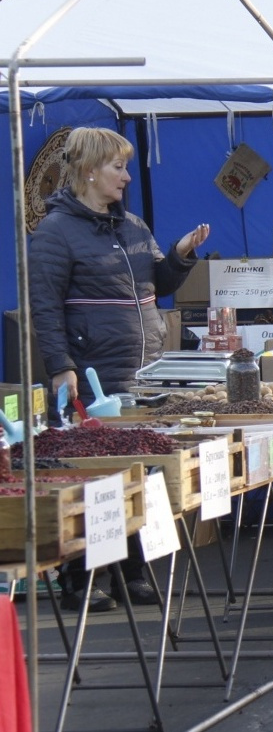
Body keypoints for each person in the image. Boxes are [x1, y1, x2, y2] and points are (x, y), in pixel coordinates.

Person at [29, 127, 211, 612]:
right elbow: (43, 309)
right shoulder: (54, 233)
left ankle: (132, 572)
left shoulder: (133, 227)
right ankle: (82, 578)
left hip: (141, 368)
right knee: (90, 474)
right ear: (90, 170)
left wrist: (179, 255)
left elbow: (161, 282)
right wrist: (61, 367)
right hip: (90, 371)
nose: (127, 178)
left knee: (138, 468)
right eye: (118, 168)